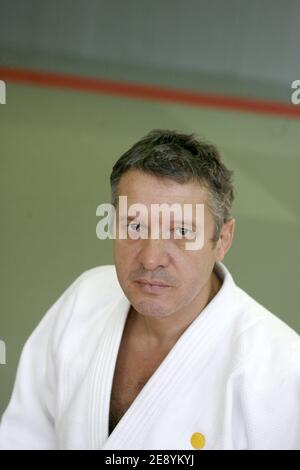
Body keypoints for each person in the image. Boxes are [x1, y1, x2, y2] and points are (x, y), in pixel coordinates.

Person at [0, 129, 299, 450]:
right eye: (135, 226)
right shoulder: (85, 297)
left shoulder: (280, 369)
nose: (151, 258)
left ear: (222, 239)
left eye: (182, 231)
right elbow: (23, 436)